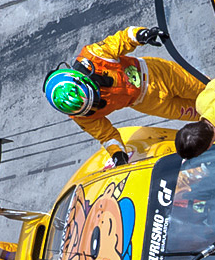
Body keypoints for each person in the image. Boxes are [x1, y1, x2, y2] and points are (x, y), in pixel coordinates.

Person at [44, 26, 204, 166]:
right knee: (203, 115)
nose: (95, 105)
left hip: (161, 74)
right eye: (89, 107)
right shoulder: (81, 115)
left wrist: (142, 34)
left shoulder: (94, 55)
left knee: (208, 92)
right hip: (150, 104)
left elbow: (123, 38)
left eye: (93, 98)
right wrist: (118, 155)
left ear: (84, 78)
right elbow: (106, 136)